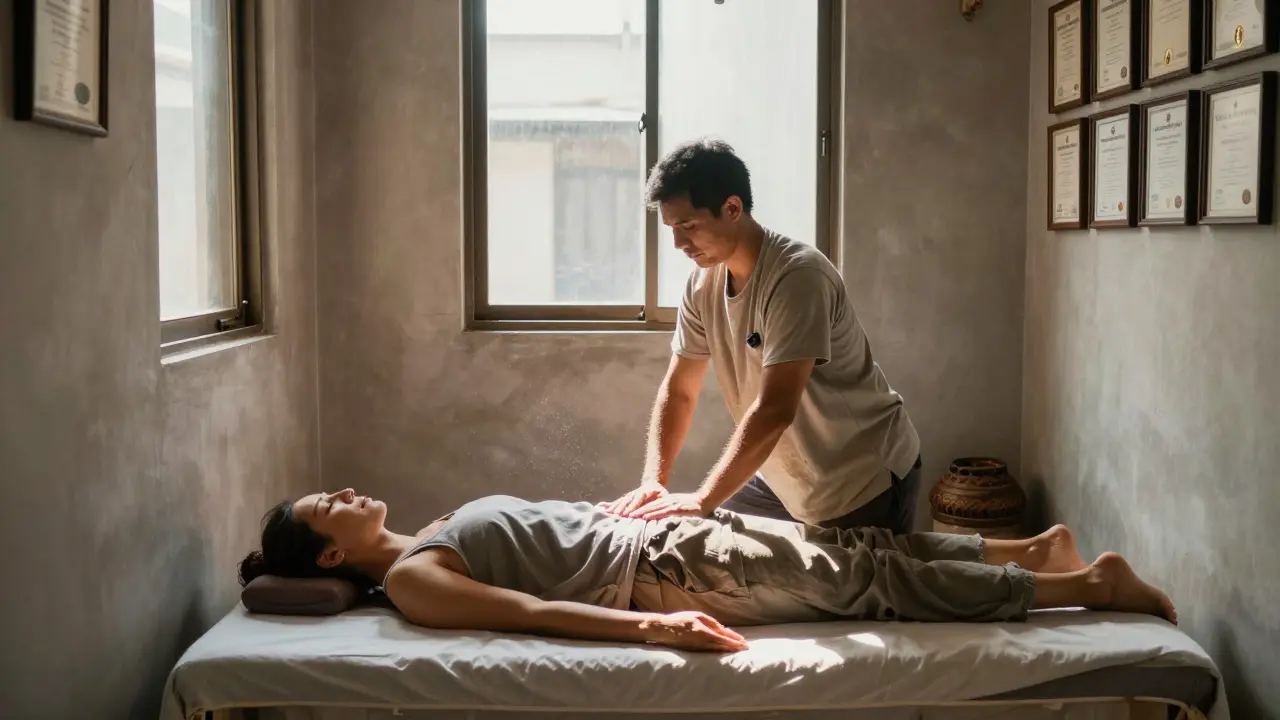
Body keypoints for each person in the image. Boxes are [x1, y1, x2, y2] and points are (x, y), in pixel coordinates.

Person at [238, 488, 1177, 653]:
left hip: (668, 538)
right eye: (330, 504)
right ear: (330, 555)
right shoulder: (411, 581)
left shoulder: (428, 529)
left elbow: (549, 543)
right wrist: (658, 627)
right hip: (675, 578)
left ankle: (1026, 549)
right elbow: (530, 611)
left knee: (860, 549)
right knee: (869, 584)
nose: (349, 491)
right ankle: (1089, 587)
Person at [603, 138, 923, 534]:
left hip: (859, 477)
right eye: (671, 229)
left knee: (868, 593)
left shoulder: (798, 277)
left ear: (732, 208)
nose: (678, 244)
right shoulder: (702, 284)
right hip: (782, 479)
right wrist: (654, 480)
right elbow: (680, 388)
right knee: (708, 544)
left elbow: (775, 409)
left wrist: (703, 499)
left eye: (688, 227)